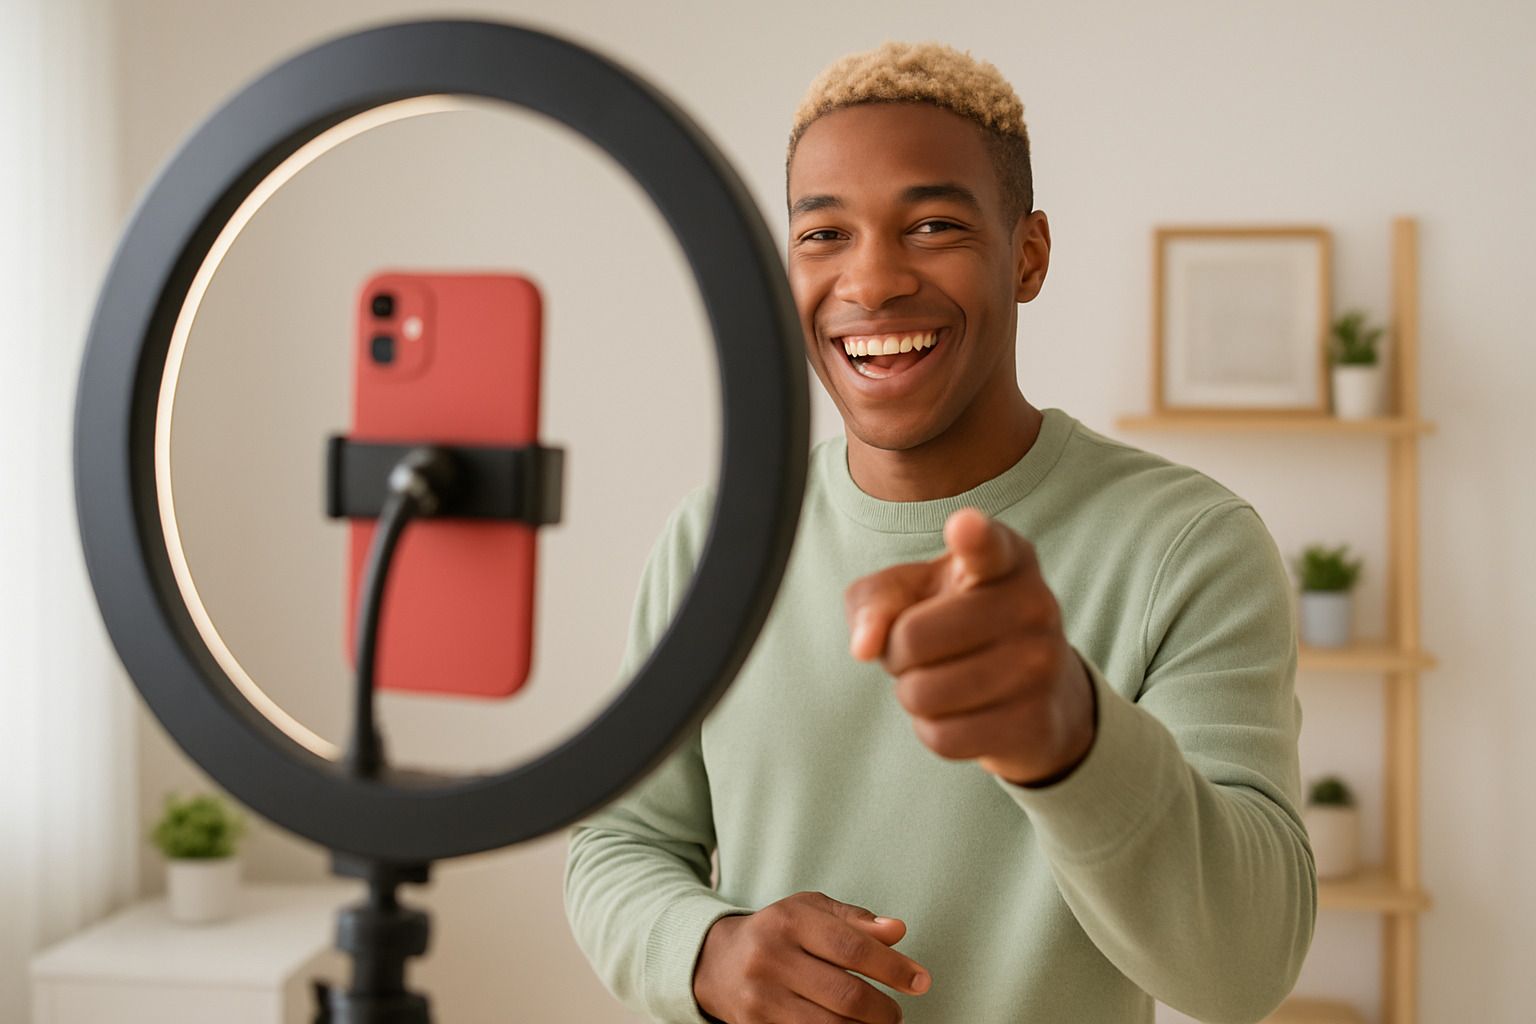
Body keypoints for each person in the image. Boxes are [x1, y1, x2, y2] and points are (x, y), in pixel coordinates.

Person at [564, 41, 1315, 1024]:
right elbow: (619, 844)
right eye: (823, 234)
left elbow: (1246, 969)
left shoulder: (1189, 545)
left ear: (1028, 253)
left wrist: (1074, 739)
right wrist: (706, 951)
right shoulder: (718, 540)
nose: (871, 282)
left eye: (932, 225)